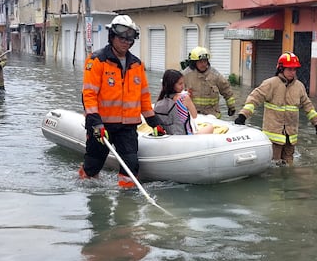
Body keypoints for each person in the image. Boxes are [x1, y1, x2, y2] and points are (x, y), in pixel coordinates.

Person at [80, 14, 165, 188]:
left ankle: (127, 202)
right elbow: (89, 94)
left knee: (131, 164)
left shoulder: (137, 65)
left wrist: (153, 121)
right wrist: (95, 123)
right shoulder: (97, 60)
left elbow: (144, 97)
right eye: (122, 38)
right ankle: (87, 190)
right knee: (93, 164)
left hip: (128, 126)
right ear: (112, 37)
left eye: (130, 39)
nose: (126, 42)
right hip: (102, 126)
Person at [235, 52, 317, 166]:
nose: (292, 72)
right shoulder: (270, 84)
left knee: (288, 166)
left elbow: (308, 106)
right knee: (273, 166)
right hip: (273, 137)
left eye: (294, 69)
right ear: (281, 69)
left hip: (290, 137)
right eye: (289, 69)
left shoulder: (299, 86)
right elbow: (254, 98)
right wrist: (243, 115)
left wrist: (316, 123)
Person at [154, 69, 214, 135]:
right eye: (180, 84)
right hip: (185, 136)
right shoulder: (184, 98)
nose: (183, 86)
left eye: (183, 83)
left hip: (169, 135)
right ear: (172, 85)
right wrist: (190, 99)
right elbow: (194, 115)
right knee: (210, 127)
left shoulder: (161, 100)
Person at [182, 46, 236, 118]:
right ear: (194, 63)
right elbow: (177, 93)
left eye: (205, 61)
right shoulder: (185, 75)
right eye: (200, 62)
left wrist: (231, 107)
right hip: (192, 115)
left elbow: (227, 90)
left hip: (212, 115)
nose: (203, 64)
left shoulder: (215, 75)